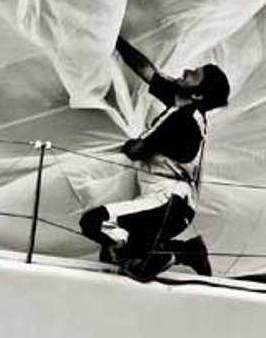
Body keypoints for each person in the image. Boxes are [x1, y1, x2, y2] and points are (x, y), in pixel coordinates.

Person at [79, 36, 230, 280]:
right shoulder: (182, 103)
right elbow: (147, 71)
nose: (186, 71)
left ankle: (172, 253)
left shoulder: (181, 120)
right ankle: (181, 251)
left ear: (198, 96)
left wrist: (127, 143)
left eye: (194, 75)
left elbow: (136, 150)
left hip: (167, 204)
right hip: (167, 203)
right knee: (111, 254)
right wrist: (117, 42)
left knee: (94, 223)